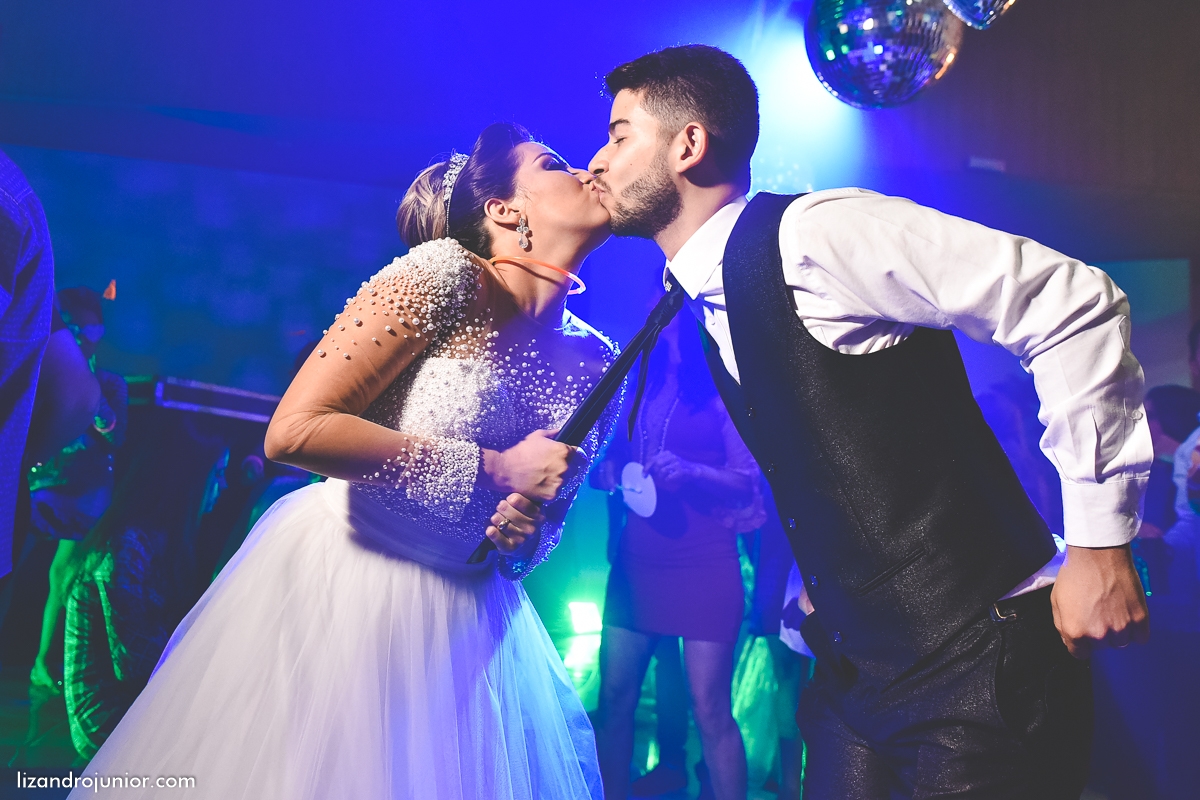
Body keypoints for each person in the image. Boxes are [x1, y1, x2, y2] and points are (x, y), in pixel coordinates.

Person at [588, 45, 1151, 799]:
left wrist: (1100, 547)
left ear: (687, 144)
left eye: (620, 134)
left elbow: (1072, 302)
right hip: (859, 677)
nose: (598, 157)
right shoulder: (701, 299)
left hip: (977, 665)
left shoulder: (814, 235)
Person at [69, 123, 620, 799]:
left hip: (469, 628)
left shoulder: (601, 358)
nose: (590, 169)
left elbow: (542, 531)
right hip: (346, 586)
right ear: (505, 210)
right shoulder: (443, 275)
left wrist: (525, 538)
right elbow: (294, 432)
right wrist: (494, 468)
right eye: (555, 162)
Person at [594, 313, 762, 800]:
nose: (654, 321)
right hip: (638, 562)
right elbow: (611, 458)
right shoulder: (638, 384)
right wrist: (608, 474)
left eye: (666, 317)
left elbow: (748, 482)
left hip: (705, 560)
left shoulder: (716, 392)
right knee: (614, 698)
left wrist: (692, 472)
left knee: (710, 709)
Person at [63, 417, 227, 758]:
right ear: (188, 480)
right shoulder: (127, 545)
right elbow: (133, 661)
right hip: (105, 713)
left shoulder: (162, 541)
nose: (223, 486)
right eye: (217, 474)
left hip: (137, 697)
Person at [29, 286, 128, 692]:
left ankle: (45, 663)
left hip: (85, 492)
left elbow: (115, 436)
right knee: (16, 566)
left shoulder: (109, 383)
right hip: (38, 485)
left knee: (64, 575)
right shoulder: (40, 374)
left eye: (88, 328)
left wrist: (92, 399)